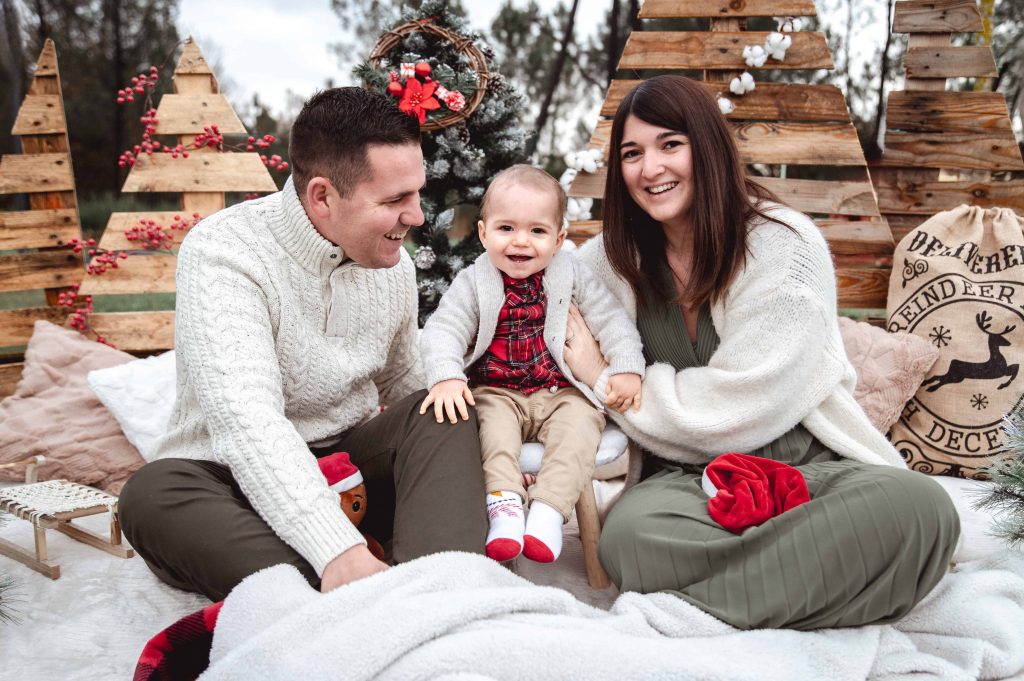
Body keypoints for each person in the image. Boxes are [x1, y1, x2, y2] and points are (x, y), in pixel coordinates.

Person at [562, 75, 961, 630]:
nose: (650, 168)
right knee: (628, 537)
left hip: (806, 468)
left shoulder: (783, 243)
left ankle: (697, 612)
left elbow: (744, 403)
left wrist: (609, 378)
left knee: (922, 511)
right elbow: (542, 305)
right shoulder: (608, 261)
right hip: (688, 483)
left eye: (670, 144)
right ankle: (820, 585)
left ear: (708, 146)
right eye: (632, 153)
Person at [118, 87, 487, 602]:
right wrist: (337, 549)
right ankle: (375, 585)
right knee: (150, 497)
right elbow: (246, 423)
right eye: (395, 200)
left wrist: (501, 458)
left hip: (348, 474)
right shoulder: (226, 251)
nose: (417, 216)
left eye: (416, 193)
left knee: (443, 407)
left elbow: (407, 385)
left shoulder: (394, 266)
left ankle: (441, 591)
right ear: (322, 196)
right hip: (228, 482)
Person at [419, 165, 645, 564]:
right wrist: (447, 377)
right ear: (484, 233)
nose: (521, 242)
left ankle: (548, 512)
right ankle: (504, 506)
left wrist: (626, 367)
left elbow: (612, 321)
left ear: (559, 239)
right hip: (498, 391)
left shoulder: (573, 275)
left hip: (562, 393)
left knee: (581, 427)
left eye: (537, 231)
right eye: (506, 228)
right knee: (490, 429)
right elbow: (443, 329)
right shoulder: (474, 281)